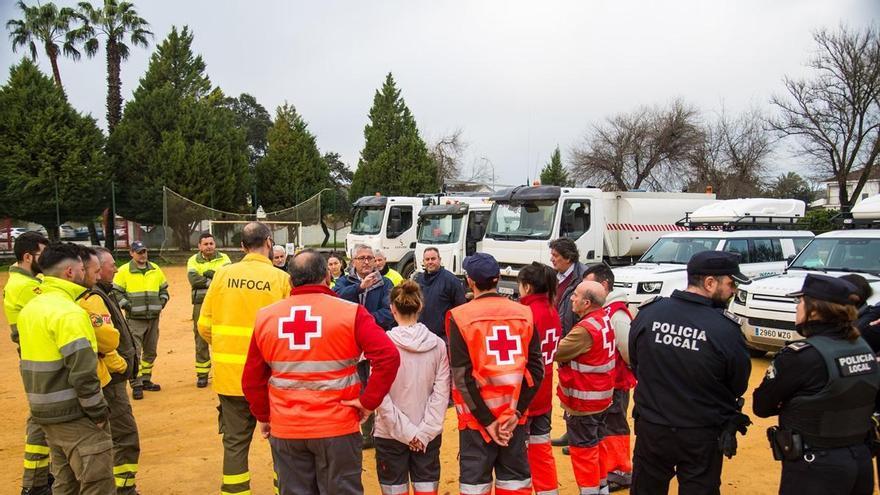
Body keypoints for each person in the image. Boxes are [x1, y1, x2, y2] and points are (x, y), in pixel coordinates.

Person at [242, 249, 400, 495]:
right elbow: (388, 357)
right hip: (338, 427)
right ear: (327, 276)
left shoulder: (265, 317)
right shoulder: (351, 313)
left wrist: (264, 415)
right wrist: (369, 401)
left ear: (290, 280)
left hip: (286, 428)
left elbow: (252, 378)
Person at [629, 251, 752, 494]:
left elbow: (636, 362)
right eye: (731, 283)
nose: (734, 291)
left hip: (653, 427)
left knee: (646, 487)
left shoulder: (649, 313)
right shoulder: (725, 329)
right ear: (709, 283)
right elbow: (738, 383)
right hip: (700, 432)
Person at [753, 274, 880, 495]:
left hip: (816, 468)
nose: (797, 308)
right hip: (861, 459)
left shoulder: (801, 356)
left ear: (814, 310)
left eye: (800, 301)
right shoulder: (863, 347)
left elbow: (762, 406)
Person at [197, 222, 292, 495]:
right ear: (270, 243)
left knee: (235, 443)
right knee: (281, 443)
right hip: (270, 379)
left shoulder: (221, 275)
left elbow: (204, 326)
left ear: (241, 246)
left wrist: (228, 348)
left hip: (230, 378)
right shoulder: (281, 279)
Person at [17, 243, 114, 494]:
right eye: (82, 268)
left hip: (44, 412)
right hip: (75, 416)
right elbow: (83, 372)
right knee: (97, 484)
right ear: (70, 273)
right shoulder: (70, 313)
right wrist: (99, 413)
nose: (86, 273)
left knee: (65, 484)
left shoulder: (31, 309)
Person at [447, 252, 544, 495]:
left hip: (476, 423)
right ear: (498, 279)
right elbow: (536, 371)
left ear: (469, 281)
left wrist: (489, 422)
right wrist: (517, 412)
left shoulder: (460, 317)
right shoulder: (524, 314)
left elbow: (462, 377)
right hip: (513, 421)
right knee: (515, 484)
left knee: (474, 487)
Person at [373, 280, 450, 495]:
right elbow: (441, 393)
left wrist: (406, 433)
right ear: (420, 306)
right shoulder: (438, 344)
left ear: (392, 309)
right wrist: (423, 433)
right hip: (428, 433)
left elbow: (379, 395)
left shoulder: (382, 345)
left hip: (389, 433)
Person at [554, 280, 616, 495]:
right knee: (597, 446)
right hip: (601, 398)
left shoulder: (584, 330)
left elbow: (556, 352)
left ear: (587, 302)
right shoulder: (603, 319)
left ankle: (589, 492)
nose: (572, 298)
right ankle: (602, 488)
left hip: (583, 402)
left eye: (576, 295)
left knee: (583, 452)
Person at [2, 231, 51, 494]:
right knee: (40, 418)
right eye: (42, 255)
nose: (46, 260)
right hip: (37, 358)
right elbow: (54, 305)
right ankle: (34, 483)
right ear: (28, 256)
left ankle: (43, 476)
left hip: (39, 355)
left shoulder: (31, 280)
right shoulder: (23, 286)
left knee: (45, 418)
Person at [92, 246, 141, 494]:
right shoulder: (95, 298)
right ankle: (124, 489)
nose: (116, 268)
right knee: (125, 436)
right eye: (112, 264)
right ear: (98, 269)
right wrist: (118, 364)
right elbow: (102, 340)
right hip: (110, 381)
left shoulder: (104, 293)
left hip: (114, 378)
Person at [334, 244, 394, 447]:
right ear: (353, 262)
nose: (367, 261)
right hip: (349, 344)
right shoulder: (343, 282)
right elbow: (336, 302)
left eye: (370, 257)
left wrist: (363, 323)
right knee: (355, 387)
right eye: (361, 258)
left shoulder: (385, 283)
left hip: (375, 343)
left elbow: (389, 313)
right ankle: (363, 433)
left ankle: (381, 432)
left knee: (378, 387)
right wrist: (359, 288)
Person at [584, 262, 636, 491]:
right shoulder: (606, 310)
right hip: (604, 382)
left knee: (615, 426)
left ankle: (621, 470)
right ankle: (609, 466)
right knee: (606, 427)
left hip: (616, 382)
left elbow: (628, 350)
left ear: (604, 284)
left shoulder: (617, 314)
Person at [517, 262, 561, 495]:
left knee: (518, 459)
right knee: (542, 450)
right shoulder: (552, 310)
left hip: (525, 396)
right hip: (544, 394)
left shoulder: (525, 313)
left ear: (527, 286)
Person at [112, 240, 169, 400]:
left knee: (150, 351)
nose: (142, 255)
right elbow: (116, 292)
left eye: (144, 251)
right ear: (131, 253)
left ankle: (146, 379)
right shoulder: (124, 271)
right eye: (139, 252)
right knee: (135, 353)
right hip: (134, 320)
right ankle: (136, 384)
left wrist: (161, 303)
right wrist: (127, 306)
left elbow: (163, 289)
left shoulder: (155, 269)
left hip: (153, 318)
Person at [548, 237, 589, 448]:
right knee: (565, 383)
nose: (552, 259)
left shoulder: (582, 276)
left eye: (555, 256)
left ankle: (580, 436)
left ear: (568, 257)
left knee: (578, 384)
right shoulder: (555, 276)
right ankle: (570, 429)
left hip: (577, 336)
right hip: (561, 334)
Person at [186, 232, 231, 388]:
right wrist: (215, 279)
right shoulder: (192, 260)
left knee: (223, 337)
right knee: (200, 339)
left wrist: (207, 276)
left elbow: (227, 279)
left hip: (221, 303)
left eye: (211, 243)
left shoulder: (225, 258)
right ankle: (202, 374)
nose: (209, 246)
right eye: (205, 244)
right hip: (200, 303)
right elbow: (194, 279)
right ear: (199, 246)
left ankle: (223, 372)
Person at [414, 247, 467, 339]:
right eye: (427, 259)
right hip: (421, 335)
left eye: (433, 259)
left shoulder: (451, 281)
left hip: (442, 336)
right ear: (423, 261)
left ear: (439, 259)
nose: (430, 262)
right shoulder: (418, 280)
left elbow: (460, 308)